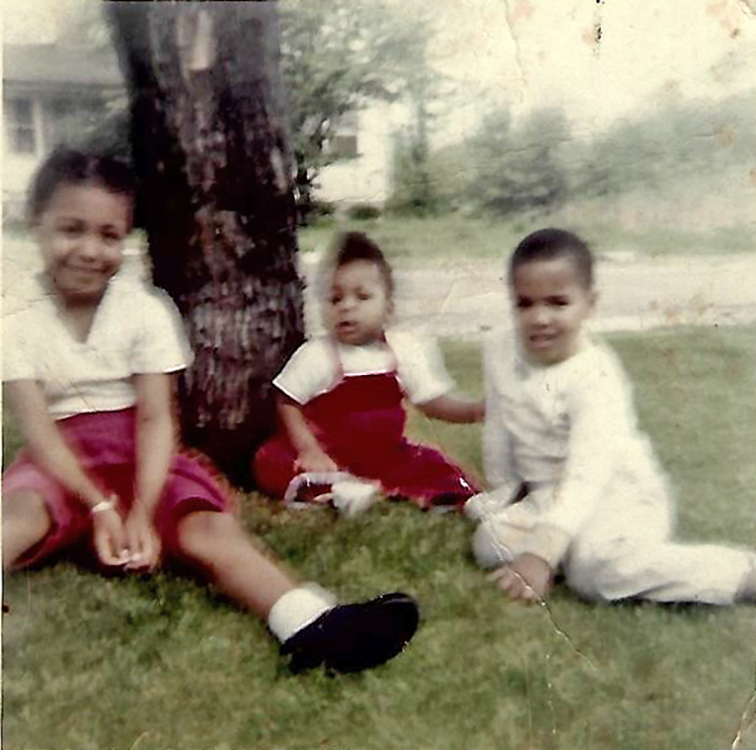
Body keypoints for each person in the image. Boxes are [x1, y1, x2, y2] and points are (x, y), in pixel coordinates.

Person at [1, 147, 420, 674]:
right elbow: (39, 432)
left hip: (139, 451)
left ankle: (310, 622)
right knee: (16, 513)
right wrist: (100, 507)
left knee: (206, 527)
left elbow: (156, 420)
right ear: (36, 225)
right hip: (59, 455)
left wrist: (139, 509)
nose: (89, 249)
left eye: (109, 235)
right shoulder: (15, 317)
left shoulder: (144, 310)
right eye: (71, 229)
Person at [467, 228, 756, 606]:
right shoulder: (500, 349)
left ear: (590, 304)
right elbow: (500, 430)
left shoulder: (595, 376)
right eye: (525, 304)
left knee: (595, 573)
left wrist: (540, 552)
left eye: (557, 303)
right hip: (548, 497)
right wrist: (504, 492)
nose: (539, 318)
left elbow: (589, 475)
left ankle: (737, 574)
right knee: (490, 543)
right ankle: (562, 550)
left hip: (617, 496)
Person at [254, 231, 483, 515]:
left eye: (361, 297)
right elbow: (286, 401)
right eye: (335, 299)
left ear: (388, 308)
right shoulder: (319, 354)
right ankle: (335, 494)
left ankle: (460, 500)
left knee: (433, 462)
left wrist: (473, 410)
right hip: (332, 457)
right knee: (271, 460)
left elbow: (432, 400)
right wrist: (308, 449)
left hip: (386, 456)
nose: (347, 306)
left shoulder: (401, 349)